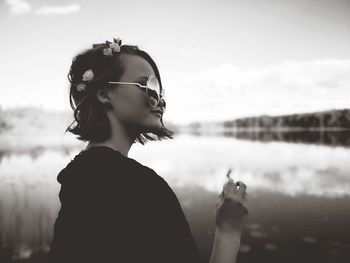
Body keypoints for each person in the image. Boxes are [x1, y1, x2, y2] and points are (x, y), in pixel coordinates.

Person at [48, 37, 248, 263]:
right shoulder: (141, 188)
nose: (159, 101)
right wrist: (228, 232)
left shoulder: (79, 177)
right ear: (104, 94)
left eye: (159, 90)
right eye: (148, 86)